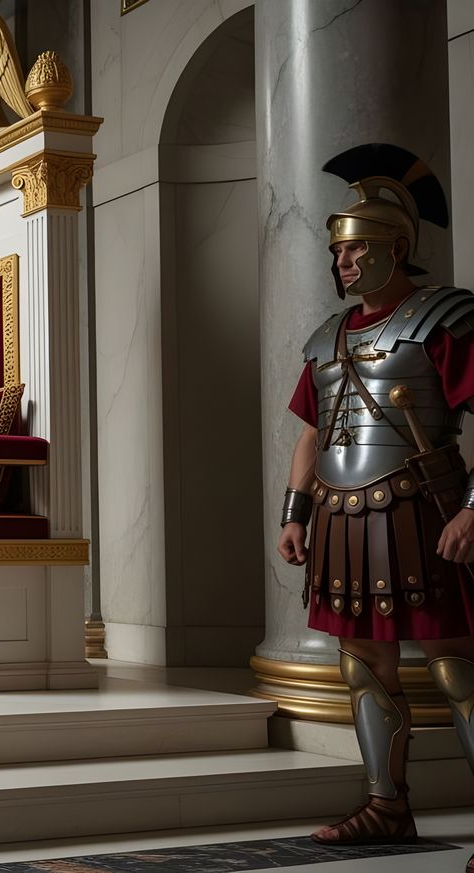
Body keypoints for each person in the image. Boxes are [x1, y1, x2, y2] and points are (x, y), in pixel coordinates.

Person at [273, 144, 474, 862]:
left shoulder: (443, 318)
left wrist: (473, 508)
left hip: (425, 514)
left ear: (397, 247)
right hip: (341, 521)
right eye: (339, 253)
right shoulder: (326, 339)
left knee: (456, 665)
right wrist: (294, 514)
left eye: (356, 249)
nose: (344, 264)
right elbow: (309, 434)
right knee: (362, 664)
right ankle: (387, 807)